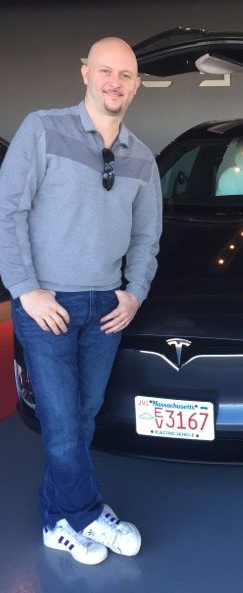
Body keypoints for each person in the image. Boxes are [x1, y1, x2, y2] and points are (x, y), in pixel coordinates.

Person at [0, 37, 162, 565]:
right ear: (85, 73)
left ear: (136, 86)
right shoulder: (43, 130)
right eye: (106, 71)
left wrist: (135, 292)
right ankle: (87, 513)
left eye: (126, 75)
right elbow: (8, 211)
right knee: (62, 423)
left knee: (83, 418)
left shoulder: (142, 159)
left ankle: (56, 522)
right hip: (47, 305)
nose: (115, 82)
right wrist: (26, 289)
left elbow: (146, 239)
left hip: (105, 310)